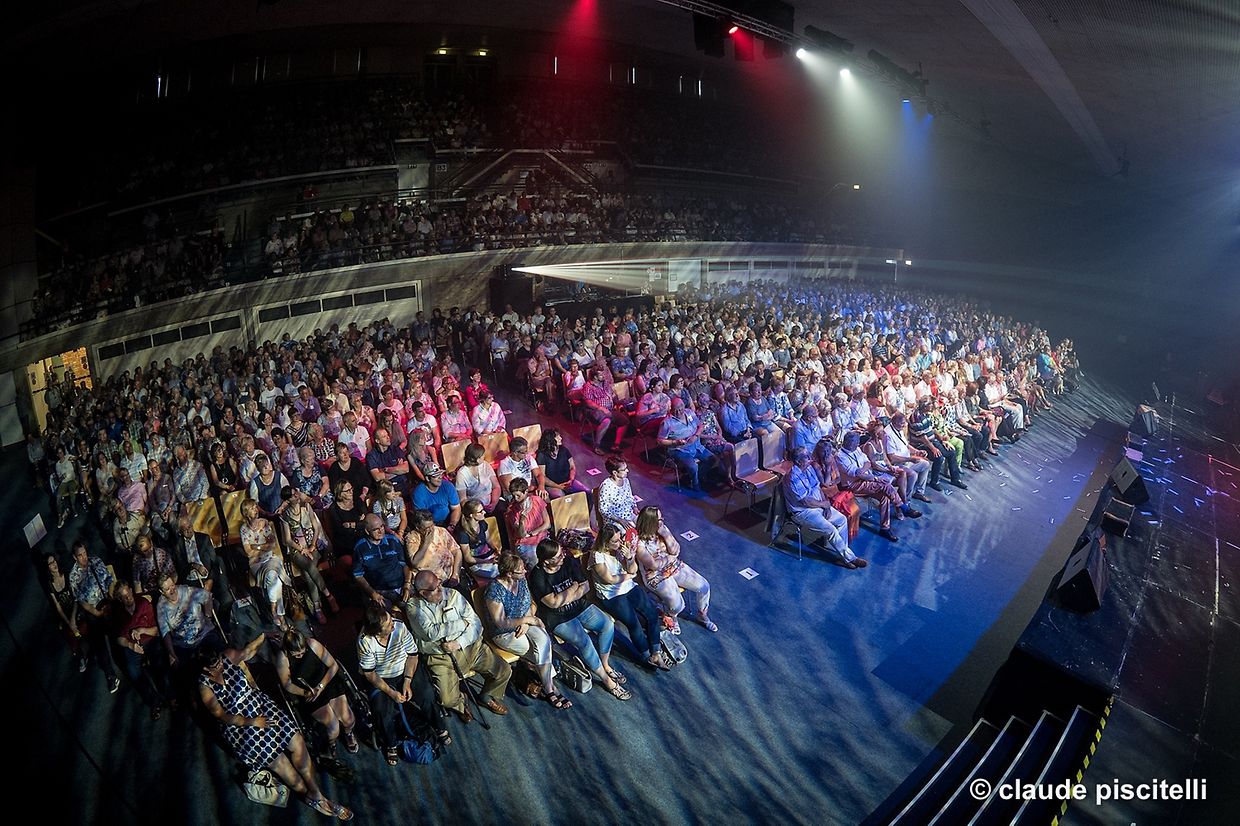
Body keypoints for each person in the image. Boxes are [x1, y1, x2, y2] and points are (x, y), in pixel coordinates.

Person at [199, 636, 352, 819]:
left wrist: (263, 635)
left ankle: (314, 791)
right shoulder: (204, 687)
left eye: (218, 661)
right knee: (280, 764)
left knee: (297, 742)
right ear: (205, 669)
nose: (220, 666)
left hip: (260, 706)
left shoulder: (228, 657)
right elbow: (221, 715)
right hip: (241, 725)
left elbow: (250, 650)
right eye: (215, 666)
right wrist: (253, 722)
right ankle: (316, 799)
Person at [527, 539, 631, 701]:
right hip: (558, 618)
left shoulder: (568, 561)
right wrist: (574, 588)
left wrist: (565, 596)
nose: (562, 557)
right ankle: (606, 680)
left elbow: (586, 586)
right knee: (584, 641)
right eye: (558, 556)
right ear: (547, 561)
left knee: (607, 625)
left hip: (580, 606)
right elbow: (553, 604)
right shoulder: (537, 576)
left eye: (562, 553)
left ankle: (605, 665)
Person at [406, 570, 512, 723]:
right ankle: (461, 703)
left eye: (440, 584)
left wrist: (459, 642)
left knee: (504, 671)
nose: (441, 589)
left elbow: (475, 624)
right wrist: (461, 623)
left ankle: (486, 696)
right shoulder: (413, 607)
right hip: (441, 658)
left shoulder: (454, 595)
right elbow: (431, 633)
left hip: (471, 648)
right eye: (435, 588)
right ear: (423, 592)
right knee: (447, 700)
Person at [483, 553, 570, 708]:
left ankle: (548, 687)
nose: (524, 572)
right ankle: (550, 687)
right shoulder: (494, 590)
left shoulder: (521, 581)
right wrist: (527, 620)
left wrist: (527, 621)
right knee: (539, 650)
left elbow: (531, 604)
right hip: (504, 632)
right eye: (520, 570)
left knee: (544, 641)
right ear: (509, 573)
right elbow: (501, 622)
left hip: (525, 623)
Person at [590, 524, 671, 670]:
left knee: (652, 614)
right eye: (615, 541)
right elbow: (609, 579)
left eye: (620, 538)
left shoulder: (621, 550)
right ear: (605, 542)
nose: (620, 542)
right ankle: (647, 655)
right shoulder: (597, 556)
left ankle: (656, 653)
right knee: (634, 623)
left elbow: (633, 569)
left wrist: (629, 558)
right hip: (611, 594)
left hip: (628, 587)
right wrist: (629, 576)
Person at [274, 629, 358, 756]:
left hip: (326, 683)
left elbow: (333, 665)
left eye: (303, 652)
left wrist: (321, 686)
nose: (301, 656)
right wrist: (305, 693)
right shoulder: (282, 658)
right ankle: (332, 742)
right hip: (307, 692)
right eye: (296, 655)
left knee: (349, 719)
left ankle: (349, 733)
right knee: (333, 727)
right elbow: (287, 684)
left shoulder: (312, 644)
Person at [633, 506, 716, 634]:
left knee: (704, 586)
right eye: (660, 519)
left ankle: (702, 615)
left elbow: (676, 550)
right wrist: (670, 558)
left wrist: (666, 535)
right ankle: (672, 616)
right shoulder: (639, 542)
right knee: (678, 605)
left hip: (673, 567)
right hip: (655, 576)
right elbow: (653, 565)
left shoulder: (662, 529)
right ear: (651, 522)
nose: (663, 521)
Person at [783, 446, 867, 569]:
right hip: (803, 512)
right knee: (831, 530)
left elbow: (818, 488)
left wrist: (826, 506)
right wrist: (823, 505)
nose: (810, 458)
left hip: (819, 505)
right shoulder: (792, 478)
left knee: (842, 520)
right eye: (806, 457)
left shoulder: (809, 468)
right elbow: (806, 502)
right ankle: (850, 558)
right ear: (798, 461)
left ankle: (841, 556)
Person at [112, 582, 172, 719]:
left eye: (128, 594)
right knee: (134, 672)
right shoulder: (119, 614)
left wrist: (142, 630)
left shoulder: (144, 604)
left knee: (161, 663)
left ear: (132, 591)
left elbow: (157, 630)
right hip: (133, 646)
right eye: (124, 597)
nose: (128, 598)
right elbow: (118, 638)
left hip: (149, 639)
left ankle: (170, 695)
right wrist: (130, 645)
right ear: (120, 599)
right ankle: (154, 701)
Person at [68, 540, 121, 693]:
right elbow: (81, 601)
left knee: (116, 634)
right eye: (80, 555)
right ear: (74, 557)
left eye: (84, 553)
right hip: (93, 610)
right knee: (100, 645)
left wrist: (110, 599)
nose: (84, 557)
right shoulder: (74, 576)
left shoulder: (96, 561)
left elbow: (110, 580)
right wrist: (97, 613)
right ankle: (111, 676)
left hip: (107, 600)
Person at [279, 487, 338, 623]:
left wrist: (312, 545)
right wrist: (302, 549)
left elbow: (316, 527)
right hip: (297, 549)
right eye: (293, 496)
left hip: (312, 545)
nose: (297, 496)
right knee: (310, 567)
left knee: (308, 572)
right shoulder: (285, 516)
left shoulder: (305, 507)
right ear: (287, 500)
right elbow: (287, 540)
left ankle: (317, 607)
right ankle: (328, 595)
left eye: (296, 493)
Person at [836, 432, 903, 542]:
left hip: (863, 479)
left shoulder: (856, 450)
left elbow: (867, 462)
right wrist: (869, 475)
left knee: (884, 497)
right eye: (856, 442)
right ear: (849, 443)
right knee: (885, 485)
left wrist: (862, 471)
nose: (858, 444)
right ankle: (902, 506)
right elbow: (855, 473)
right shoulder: (840, 456)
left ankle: (884, 528)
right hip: (852, 485)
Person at [156, 572, 224, 670]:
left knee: (221, 654)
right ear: (161, 592)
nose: (172, 590)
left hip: (204, 634)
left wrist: (208, 616)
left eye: (172, 585)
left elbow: (206, 596)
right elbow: (165, 632)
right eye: (167, 589)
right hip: (184, 645)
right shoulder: (161, 607)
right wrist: (172, 654)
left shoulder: (187, 591)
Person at [352, 514, 412, 607]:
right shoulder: (360, 548)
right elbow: (358, 576)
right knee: (384, 617)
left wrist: (407, 584)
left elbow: (404, 564)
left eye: (382, 526)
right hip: (379, 590)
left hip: (400, 585)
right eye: (376, 529)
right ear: (367, 531)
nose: (381, 531)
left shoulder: (393, 540)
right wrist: (372, 593)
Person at [658, 397, 715, 491]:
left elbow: (700, 426)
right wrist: (675, 442)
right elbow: (660, 440)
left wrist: (696, 436)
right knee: (693, 466)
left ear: (684, 406)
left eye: (680, 409)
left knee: (712, 459)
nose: (678, 412)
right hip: (679, 450)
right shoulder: (667, 423)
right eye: (675, 410)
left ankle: (696, 477)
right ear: (671, 409)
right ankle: (695, 484)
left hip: (696, 445)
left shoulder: (689, 413)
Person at [406, 508, 463, 591]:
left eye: (432, 525)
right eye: (426, 528)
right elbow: (415, 563)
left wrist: (455, 574)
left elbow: (457, 551)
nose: (431, 530)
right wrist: (426, 543)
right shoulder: (411, 538)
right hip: (431, 584)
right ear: (418, 527)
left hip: (450, 576)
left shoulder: (441, 531)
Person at [503, 477, 551, 565]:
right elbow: (521, 535)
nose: (516, 498)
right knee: (536, 562)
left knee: (552, 557)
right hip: (526, 543)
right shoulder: (511, 511)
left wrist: (534, 532)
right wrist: (522, 520)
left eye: (518, 495)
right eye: (513, 496)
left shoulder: (537, 500)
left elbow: (547, 523)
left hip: (541, 538)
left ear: (525, 492)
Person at [581, 368, 629, 455]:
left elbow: (612, 394)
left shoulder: (605, 383)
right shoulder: (588, 386)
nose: (603, 376)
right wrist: (601, 408)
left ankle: (616, 444)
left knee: (624, 420)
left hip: (609, 408)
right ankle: (596, 445)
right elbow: (588, 402)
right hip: (594, 410)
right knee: (606, 421)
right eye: (601, 375)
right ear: (595, 377)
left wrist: (617, 401)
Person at [536, 428, 586, 499]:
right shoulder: (542, 455)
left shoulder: (564, 450)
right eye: (558, 436)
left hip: (567, 482)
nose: (561, 438)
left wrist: (571, 479)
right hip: (552, 485)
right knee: (560, 497)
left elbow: (572, 467)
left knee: (586, 492)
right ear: (551, 440)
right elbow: (542, 477)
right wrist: (558, 486)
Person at [454, 443, 501, 514]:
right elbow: (463, 500)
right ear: (477, 459)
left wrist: (493, 503)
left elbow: (496, 486)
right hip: (476, 508)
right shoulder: (462, 474)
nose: (484, 456)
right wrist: (477, 510)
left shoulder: (485, 465)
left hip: (491, 501)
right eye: (482, 455)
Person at [411, 463, 461, 529]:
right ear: (428, 478)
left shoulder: (448, 486)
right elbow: (422, 520)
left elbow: (456, 508)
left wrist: (452, 526)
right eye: (436, 475)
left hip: (449, 521)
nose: (440, 477)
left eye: (440, 474)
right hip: (430, 526)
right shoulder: (418, 493)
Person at [595, 456, 640, 530]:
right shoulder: (606, 486)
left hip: (628, 514)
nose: (627, 470)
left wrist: (635, 507)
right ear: (615, 473)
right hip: (615, 520)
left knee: (646, 524)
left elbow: (629, 497)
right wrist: (620, 520)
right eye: (624, 469)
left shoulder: (626, 481)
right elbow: (603, 509)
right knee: (631, 533)